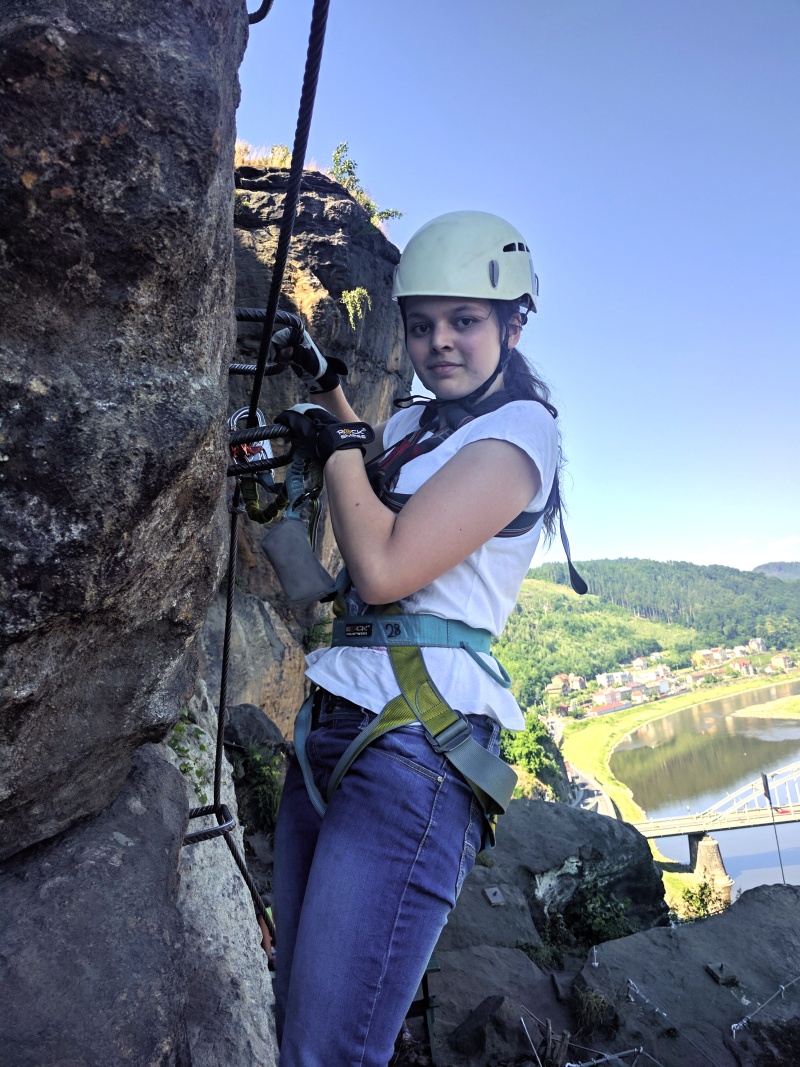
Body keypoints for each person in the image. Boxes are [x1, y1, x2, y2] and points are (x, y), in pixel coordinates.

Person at [269, 211, 565, 1067]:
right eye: (422, 324)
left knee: (327, 1050)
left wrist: (333, 444)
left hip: (417, 751)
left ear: (512, 327)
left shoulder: (520, 434)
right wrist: (324, 383)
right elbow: (363, 464)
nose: (440, 342)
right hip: (335, 724)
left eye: (465, 320)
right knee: (297, 1022)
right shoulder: (412, 426)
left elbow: (384, 567)